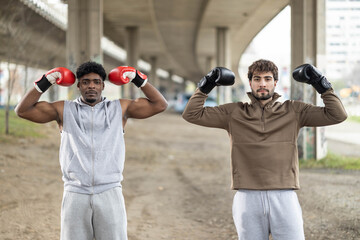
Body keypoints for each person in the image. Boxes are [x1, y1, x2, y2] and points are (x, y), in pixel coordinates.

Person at [182, 59, 347, 240]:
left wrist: (320, 83)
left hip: (284, 196)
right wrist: (207, 84)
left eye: (267, 79)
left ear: (275, 83)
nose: (262, 84)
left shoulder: (293, 110)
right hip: (247, 196)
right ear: (250, 82)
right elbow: (191, 114)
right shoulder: (234, 113)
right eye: (257, 78)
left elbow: (337, 115)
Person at [15, 61, 168, 240]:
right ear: (79, 85)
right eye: (86, 82)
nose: (91, 86)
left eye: (96, 82)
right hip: (75, 193)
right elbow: (23, 111)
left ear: (103, 85)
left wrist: (137, 78)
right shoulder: (64, 109)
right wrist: (46, 81)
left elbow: (160, 105)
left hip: (110, 191)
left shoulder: (120, 108)